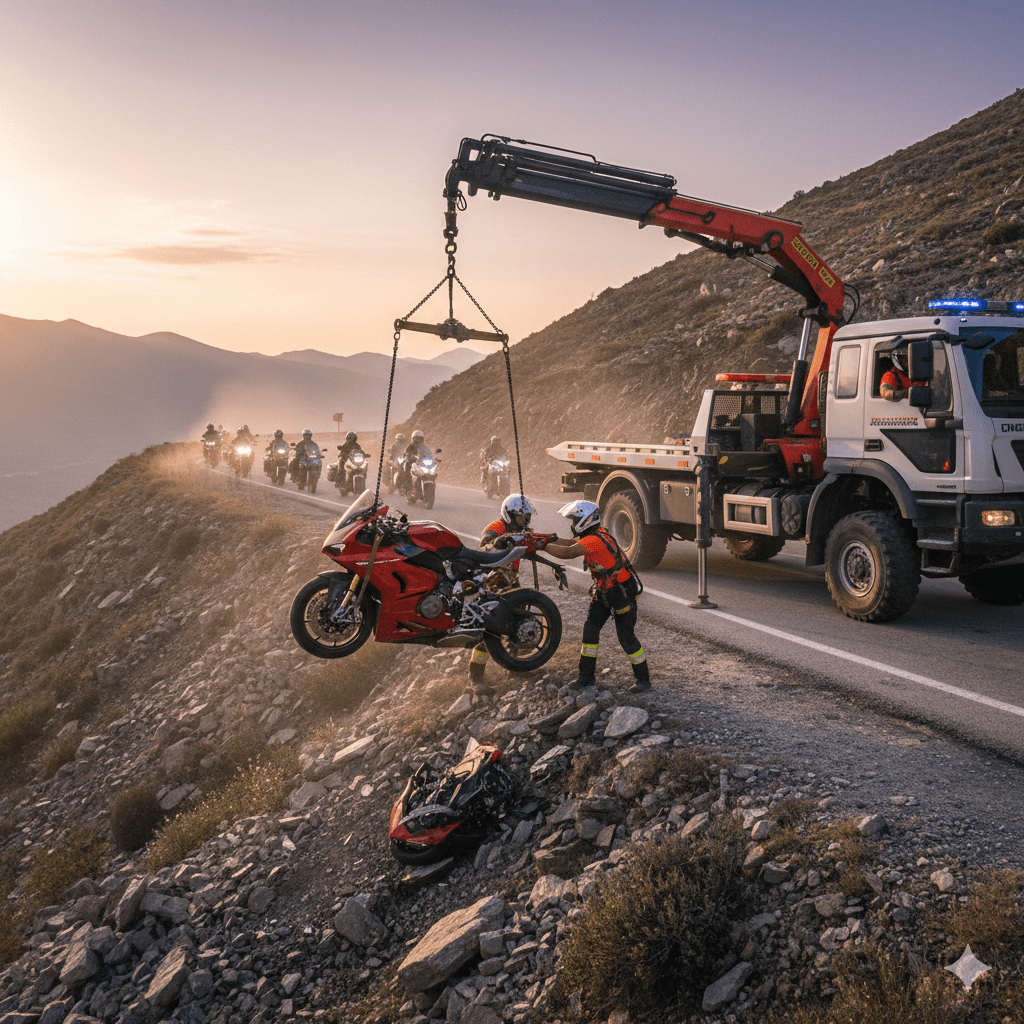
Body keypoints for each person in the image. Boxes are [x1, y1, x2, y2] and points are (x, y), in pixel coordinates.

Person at [541, 500, 651, 693]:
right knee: (590, 630)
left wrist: (541, 545)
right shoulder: (592, 536)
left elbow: (568, 552)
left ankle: (643, 679)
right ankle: (585, 677)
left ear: (585, 519)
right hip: (604, 592)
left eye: (575, 520)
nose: (572, 524)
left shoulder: (594, 540)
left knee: (626, 637)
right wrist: (543, 539)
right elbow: (568, 543)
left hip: (621, 595)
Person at [467, 494, 536, 695]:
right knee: (490, 628)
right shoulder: (497, 527)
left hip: (511, 580)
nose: (526, 521)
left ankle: (516, 665)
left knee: (520, 620)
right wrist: (499, 541)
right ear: (510, 515)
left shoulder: (521, 531)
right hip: (492, 581)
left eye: (527, 517)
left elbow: (531, 547)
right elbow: (485, 544)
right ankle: (475, 676)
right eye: (522, 517)